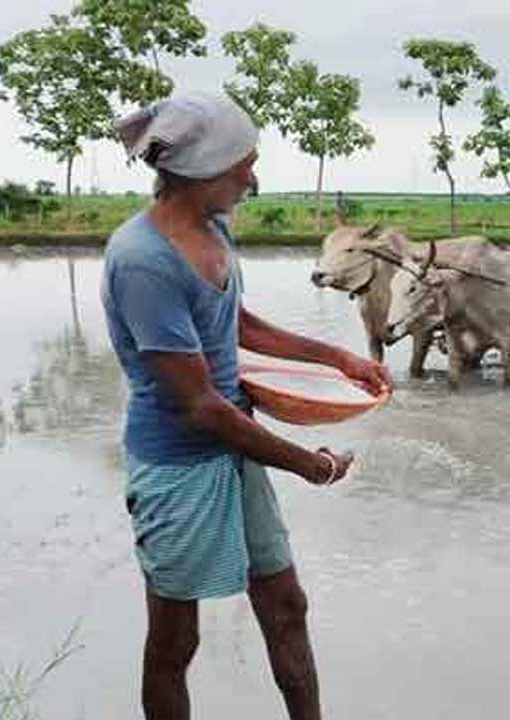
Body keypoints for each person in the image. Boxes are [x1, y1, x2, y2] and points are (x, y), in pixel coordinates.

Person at [102, 91, 391, 720]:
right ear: (202, 171)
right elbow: (200, 408)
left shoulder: (213, 228)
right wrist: (306, 463)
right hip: (179, 468)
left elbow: (233, 320)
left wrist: (334, 357)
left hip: (238, 449)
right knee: (176, 641)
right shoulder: (143, 261)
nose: (252, 181)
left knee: (287, 608)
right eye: (244, 166)